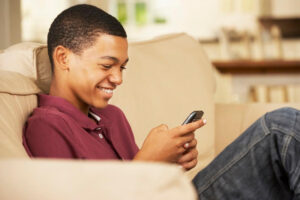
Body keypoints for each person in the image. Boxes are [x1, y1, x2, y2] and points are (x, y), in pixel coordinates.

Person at [23, 4, 300, 200]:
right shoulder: (46, 127)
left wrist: (170, 163)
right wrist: (149, 160)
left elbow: (145, 189)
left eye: (122, 67)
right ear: (63, 58)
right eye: (107, 65)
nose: (117, 78)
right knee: (280, 128)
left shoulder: (112, 117)